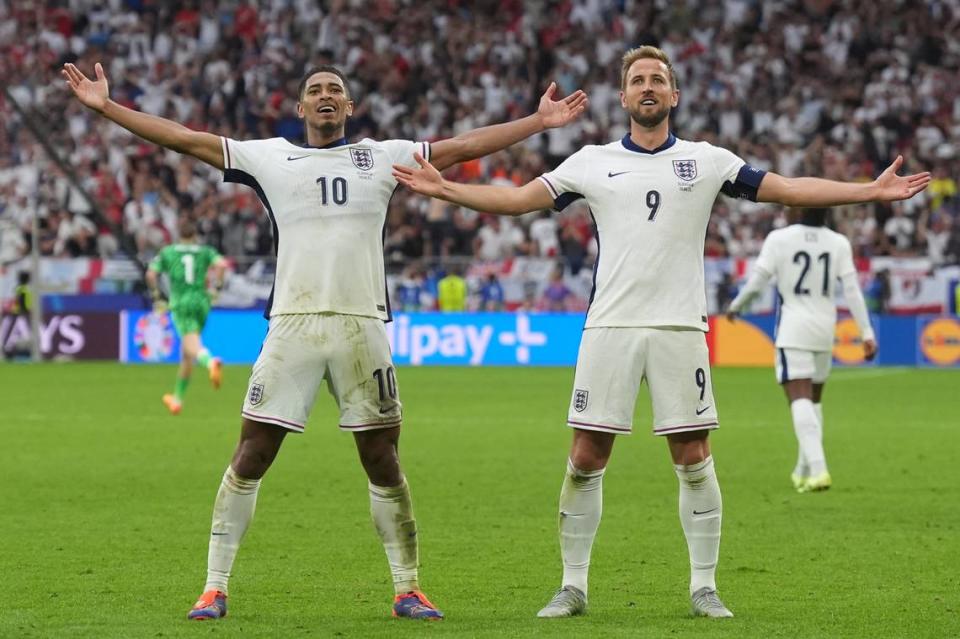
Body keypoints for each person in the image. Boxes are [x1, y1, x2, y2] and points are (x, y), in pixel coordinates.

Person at [392, 45, 929, 620]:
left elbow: (788, 187)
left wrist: (868, 191)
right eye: (638, 80)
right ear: (623, 97)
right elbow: (520, 201)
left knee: (694, 454)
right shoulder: (590, 161)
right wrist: (447, 189)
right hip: (610, 328)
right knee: (585, 455)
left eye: (658, 80)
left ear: (674, 95)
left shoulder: (707, 160)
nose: (648, 87)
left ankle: (704, 586)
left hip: (679, 328)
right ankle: (573, 586)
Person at [62, 61, 587, 621]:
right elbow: (186, 139)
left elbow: (460, 147)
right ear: (300, 108)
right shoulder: (269, 157)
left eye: (335, 89)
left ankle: (408, 588)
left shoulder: (383, 157)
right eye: (314, 91)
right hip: (293, 325)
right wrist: (108, 108)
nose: (325, 96)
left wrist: (536, 121)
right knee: (252, 454)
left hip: (363, 327)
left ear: (350, 106)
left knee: (382, 457)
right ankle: (214, 587)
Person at [726, 207, 877, 492]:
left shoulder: (779, 238)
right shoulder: (838, 242)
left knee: (799, 398)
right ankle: (802, 470)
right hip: (824, 329)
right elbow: (853, 290)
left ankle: (819, 470)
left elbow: (758, 282)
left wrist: (736, 306)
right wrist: (866, 333)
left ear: (796, 208)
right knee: (814, 401)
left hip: (793, 328)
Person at [146, 217, 228, 415]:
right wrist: (216, 289)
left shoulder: (169, 252)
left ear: (178, 234)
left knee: (192, 344)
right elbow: (222, 265)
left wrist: (157, 297)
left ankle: (211, 362)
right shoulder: (205, 251)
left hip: (181, 302)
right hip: (202, 300)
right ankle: (177, 399)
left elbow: (150, 274)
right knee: (186, 352)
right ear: (195, 235)